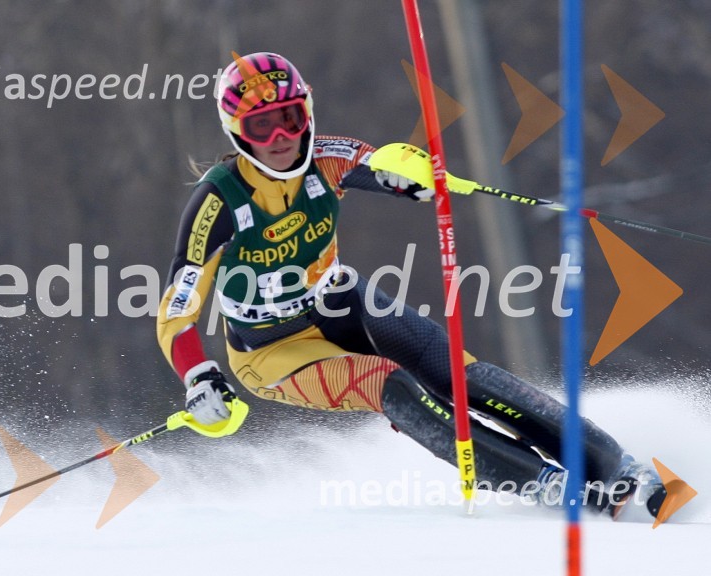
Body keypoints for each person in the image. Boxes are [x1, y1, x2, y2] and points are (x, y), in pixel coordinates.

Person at [156, 51, 665, 519]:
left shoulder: (327, 158)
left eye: (289, 118)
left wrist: (409, 175)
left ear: (306, 112)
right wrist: (198, 375)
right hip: (272, 350)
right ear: (237, 132)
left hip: (342, 302)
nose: (280, 137)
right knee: (391, 385)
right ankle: (545, 485)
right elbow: (178, 306)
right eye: (261, 126)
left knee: (459, 375)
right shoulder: (218, 202)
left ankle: (615, 465)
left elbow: (381, 162)